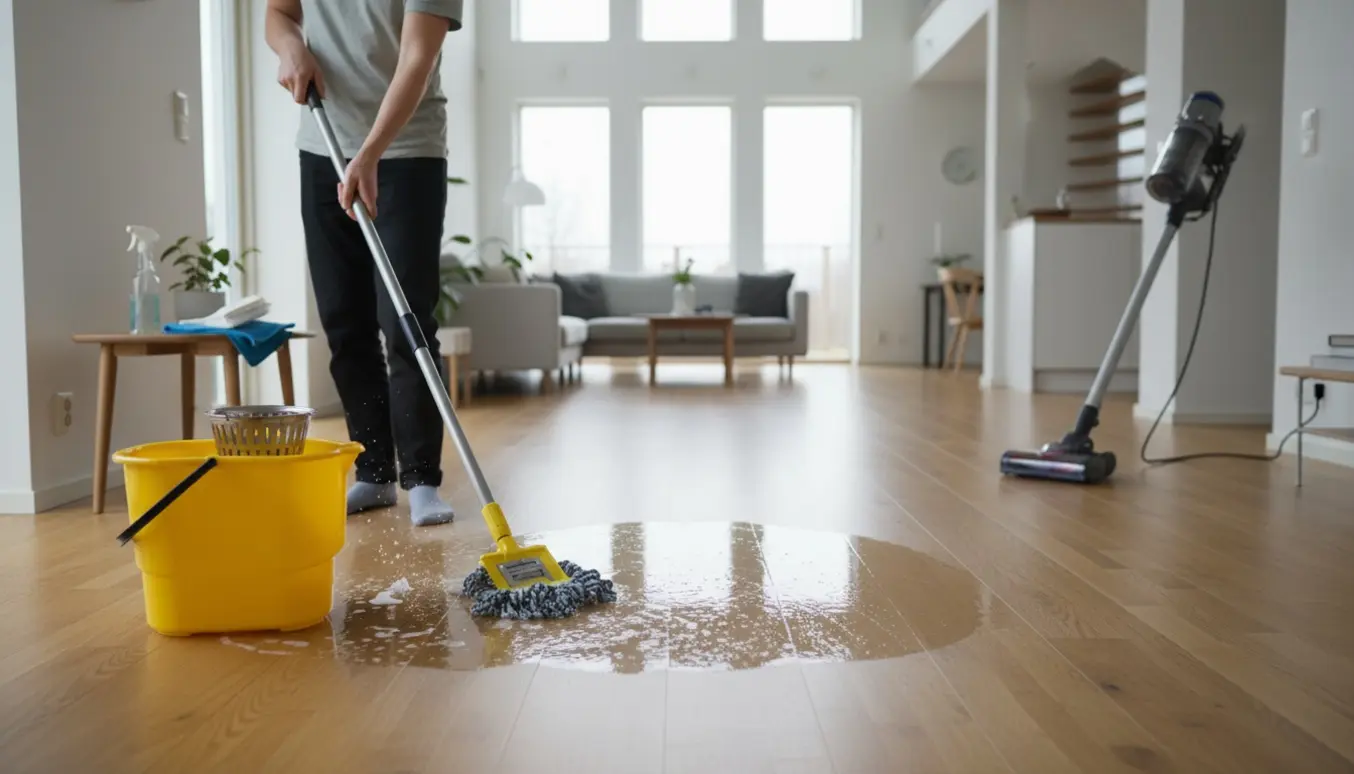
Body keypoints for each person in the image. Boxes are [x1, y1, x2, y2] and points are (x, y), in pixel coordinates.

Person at [265, 0, 463, 526]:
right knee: (343, 319)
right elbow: (279, 14)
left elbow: (418, 58)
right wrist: (292, 48)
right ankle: (374, 470)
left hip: (405, 153)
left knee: (406, 319)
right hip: (322, 143)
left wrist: (371, 153)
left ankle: (422, 478)